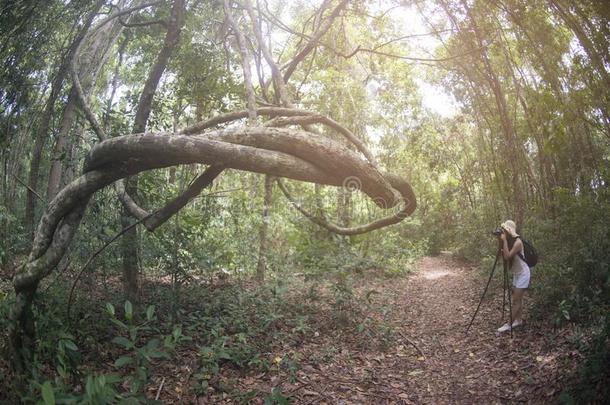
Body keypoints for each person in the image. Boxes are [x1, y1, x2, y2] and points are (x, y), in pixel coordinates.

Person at [496, 220, 530, 333]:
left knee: (516, 300)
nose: (503, 232)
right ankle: (518, 320)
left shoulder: (517, 242)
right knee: (517, 298)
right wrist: (501, 241)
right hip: (517, 273)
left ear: (509, 231)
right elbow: (503, 255)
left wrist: (504, 240)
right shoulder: (510, 241)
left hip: (523, 274)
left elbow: (507, 256)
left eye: (505, 230)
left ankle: (509, 324)